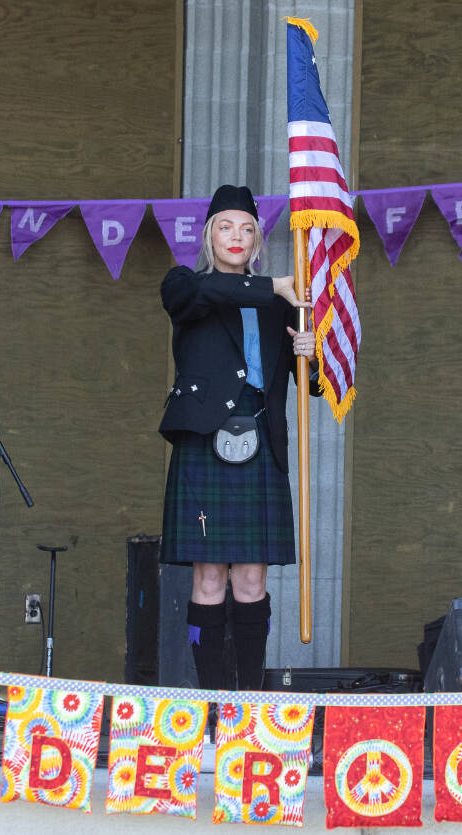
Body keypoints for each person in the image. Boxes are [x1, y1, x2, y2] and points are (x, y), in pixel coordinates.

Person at [159, 184, 316, 691]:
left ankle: (248, 700)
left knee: (251, 581)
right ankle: (209, 705)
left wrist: (310, 350)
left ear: (257, 242)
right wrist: (273, 286)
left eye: (248, 229)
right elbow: (206, 295)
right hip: (206, 438)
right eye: (226, 226)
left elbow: (312, 385)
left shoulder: (280, 303)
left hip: (260, 437)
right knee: (208, 579)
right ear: (209, 234)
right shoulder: (185, 284)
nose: (237, 236)